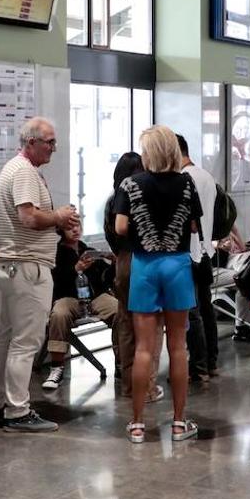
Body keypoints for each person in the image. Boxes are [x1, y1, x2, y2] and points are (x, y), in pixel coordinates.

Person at [0, 117, 80, 433]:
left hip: (12, 264)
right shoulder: (24, 172)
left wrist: (59, 224)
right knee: (26, 341)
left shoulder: (15, 168)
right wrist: (60, 216)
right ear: (31, 142)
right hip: (27, 265)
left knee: (6, 336)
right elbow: (29, 218)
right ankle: (18, 411)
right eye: (49, 141)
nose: (54, 147)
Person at [115, 126, 203, 443]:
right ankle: (179, 423)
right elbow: (193, 224)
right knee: (178, 347)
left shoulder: (131, 184)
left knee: (143, 348)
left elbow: (121, 226)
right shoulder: (186, 183)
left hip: (145, 265)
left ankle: (138, 424)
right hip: (177, 264)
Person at [103, 152, 162, 399]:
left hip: (124, 263)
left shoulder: (112, 201)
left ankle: (129, 384)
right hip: (146, 260)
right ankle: (147, 386)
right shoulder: (146, 197)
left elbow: (111, 234)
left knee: (126, 324)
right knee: (151, 326)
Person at [40, 236, 118, 391]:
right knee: (59, 314)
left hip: (95, 297)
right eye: (70, 226)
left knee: (119, 311)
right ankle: (57, 368)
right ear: (61, 230)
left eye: (77, 225)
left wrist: (115, 263)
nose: (75, 229)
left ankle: (122, 363)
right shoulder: (55, 254)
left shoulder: (89, 251)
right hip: (69, 298)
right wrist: (76, 269)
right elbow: (54, 282)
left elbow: (107, 279)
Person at [178, 134, 220, 378]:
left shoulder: (185, 178)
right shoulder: (206, 176)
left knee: (192, 312)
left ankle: (197, 366)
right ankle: (211, 361)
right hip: (206, 250)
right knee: (206, 309)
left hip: (190, 251)